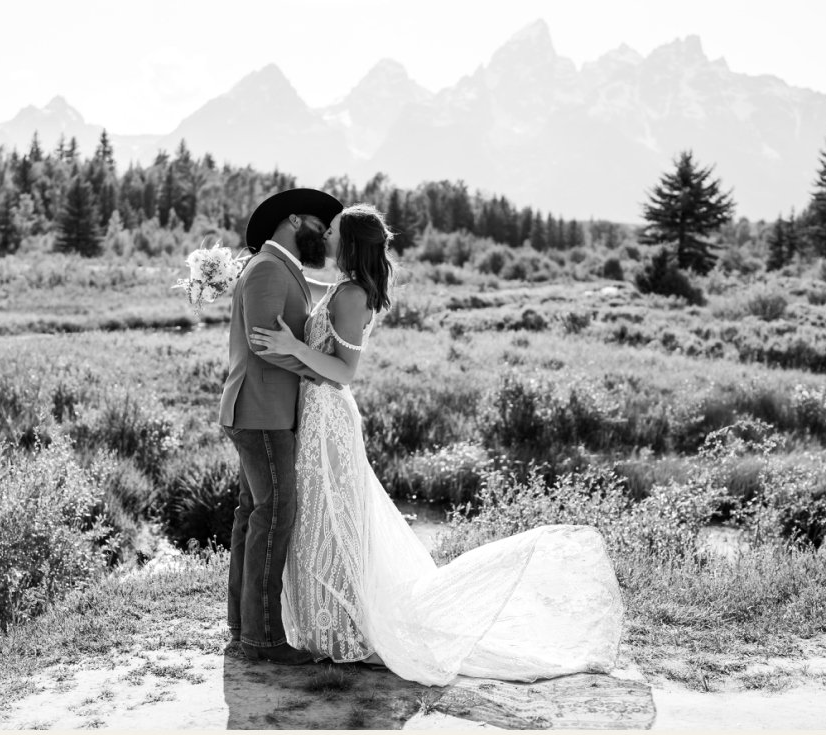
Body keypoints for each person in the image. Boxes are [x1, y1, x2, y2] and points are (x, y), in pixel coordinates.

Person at [250, 203, 624, 682]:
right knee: (322, 520)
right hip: (317, 417)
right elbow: (311, 289)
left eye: (334, 232)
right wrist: (268, 265)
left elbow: (345, 373)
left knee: (332, 521)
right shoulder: (346, 288)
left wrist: (292, 348)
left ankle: (341, 628)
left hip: (328, 420)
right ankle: (327, 624)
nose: (324, 237)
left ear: (349, 245)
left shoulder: (350, 296)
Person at [219, 187, 343, 664]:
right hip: (262, 412)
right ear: (295, 220)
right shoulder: (269, 268)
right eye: (320, 225)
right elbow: (265, 345)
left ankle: (244, 629)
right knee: (274, 516)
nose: (324, 236)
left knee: (254, 516)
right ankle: (264, 640)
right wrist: (319, 374)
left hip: (262, 410)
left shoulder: (283, 267)